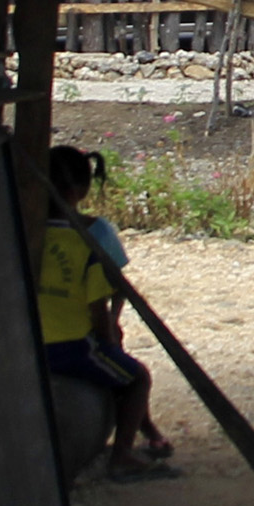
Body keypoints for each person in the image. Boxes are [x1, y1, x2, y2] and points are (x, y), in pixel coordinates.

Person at [36, 144, 171, 478]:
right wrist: (108, 334)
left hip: (26, 342)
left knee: (115, 364)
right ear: (81, 190)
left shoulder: (28, 233)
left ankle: (147, 433)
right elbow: (101, 304)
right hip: (69, 347)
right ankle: (123, 455)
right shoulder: (89, 239)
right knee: (136, 378)